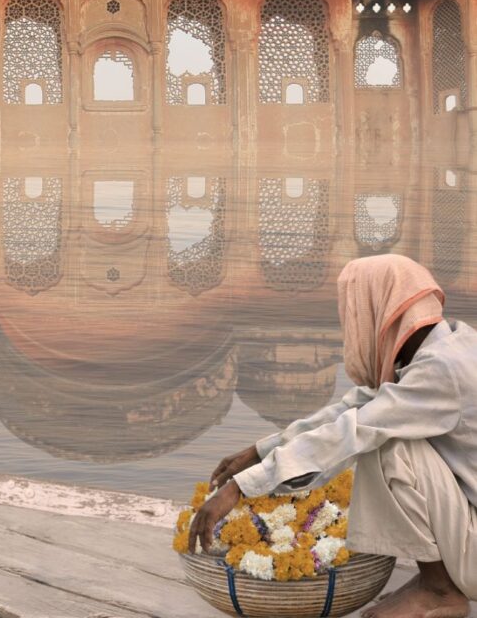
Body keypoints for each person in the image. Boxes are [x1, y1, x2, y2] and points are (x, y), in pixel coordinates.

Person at [188, 254, 477, 618]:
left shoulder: (441, 371)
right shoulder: (451, 343)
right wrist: (261, 452)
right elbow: (354, 408)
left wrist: (239, 488)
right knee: (377, 430)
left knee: (388, 445)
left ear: (378, 310)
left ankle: (439, 591)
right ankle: (440, 582)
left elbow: (353, 430)